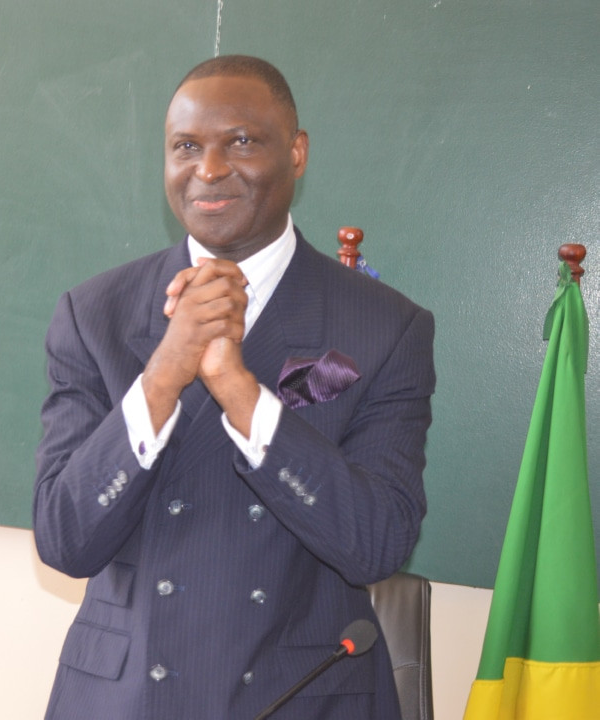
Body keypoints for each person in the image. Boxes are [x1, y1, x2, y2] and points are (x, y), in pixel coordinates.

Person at [33, 55, 435, 719]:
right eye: (185, 147)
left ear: (296, 153)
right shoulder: (94, 313)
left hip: (300, 697)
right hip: (127, 699)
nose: (210, 169)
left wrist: (238, 390)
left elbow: (377, 544)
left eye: (241, 141)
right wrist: (164, 373)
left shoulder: (383, 327)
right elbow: (64, 540)